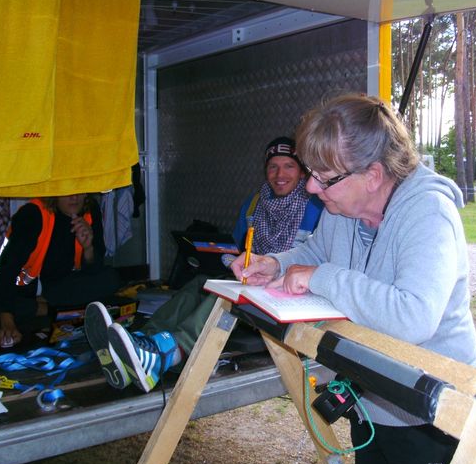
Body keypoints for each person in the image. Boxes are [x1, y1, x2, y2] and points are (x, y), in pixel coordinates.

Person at [231, 94, 476, 464]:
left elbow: (414, 316)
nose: (312, 187)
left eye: (323, 177)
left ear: (373, 175)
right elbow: (317, 249)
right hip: (370, 394)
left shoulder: (429, 212)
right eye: (311, 173)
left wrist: (322, 276)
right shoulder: (342, 207)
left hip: (428, 411)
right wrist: (275, 263)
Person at [85, 136, 324, 393]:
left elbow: (317, 260)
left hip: (289, 298)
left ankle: (171, 352)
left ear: (301, 171)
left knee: (228, 293)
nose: (280, 174)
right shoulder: (255, 203)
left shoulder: (316, 205)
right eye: (272, 166)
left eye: (288, 166)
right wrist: (226, 258)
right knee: (202, 283)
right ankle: (141, 343)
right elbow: (234, 247)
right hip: (253, 282)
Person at [0, 194, 120, 349]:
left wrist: (88, 248)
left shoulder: (91, 210)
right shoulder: (32, 214)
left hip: (58, 288)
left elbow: (95, 268)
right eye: (67, 192)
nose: (74, 197)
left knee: (110, 279)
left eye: (79, 192)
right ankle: (44, 309)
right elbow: (6, 271)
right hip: (21, 289)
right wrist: (7, 322)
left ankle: (42, 308)